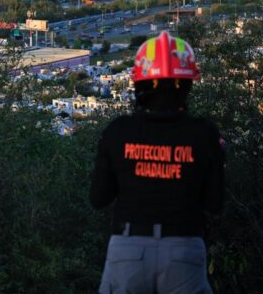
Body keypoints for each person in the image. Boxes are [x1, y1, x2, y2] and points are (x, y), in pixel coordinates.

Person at [90, 31, 225, 294]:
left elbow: (98, 199)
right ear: (186, 84)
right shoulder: (204, 133)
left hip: (128, 249)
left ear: (139, 83)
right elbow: (214, 204)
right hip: (184, 248)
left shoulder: (118, 132)